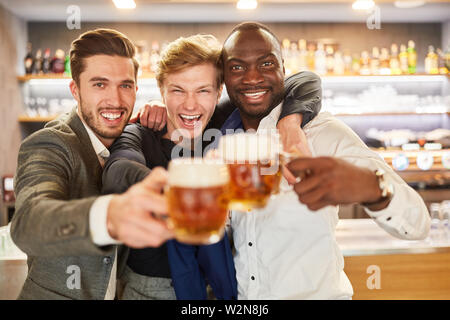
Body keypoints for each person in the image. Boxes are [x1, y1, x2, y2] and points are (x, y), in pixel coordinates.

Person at [219, 22, 430, 299]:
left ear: (283, 68)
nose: (252, 77)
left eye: (266, 64)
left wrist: (374, 189)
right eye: (237, 67)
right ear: (223, 76)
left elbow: (417, 225)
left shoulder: (323, 133)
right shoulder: (222, 139)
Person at [102, 33, 322, 299]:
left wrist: (290, 121)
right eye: (177, 90)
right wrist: (187, 187)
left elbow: (304, 81)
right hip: (153, 290)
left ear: (219, 92)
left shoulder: (221, 119)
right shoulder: (139, 134)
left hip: (224, 284)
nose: (190, 104)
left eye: (203, 90)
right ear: (161, 89)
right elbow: (117, 172)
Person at [11, 28, 174, 300]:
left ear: (136, 88)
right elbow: (29, 223)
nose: (115, 100)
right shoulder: (50, 143)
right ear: (75, 90)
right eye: (99, 84)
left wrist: (159, 106)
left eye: (125, 85)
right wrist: (108, 217)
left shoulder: (130, 138)